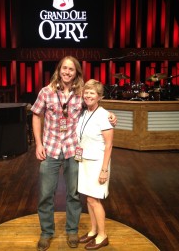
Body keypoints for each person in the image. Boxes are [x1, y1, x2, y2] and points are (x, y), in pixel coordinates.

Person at [31, 56, 117, 251]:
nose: (67, 72)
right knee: (45, 194)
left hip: (73, 150)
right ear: (59, 70)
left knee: (73, 194)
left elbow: (95, 108)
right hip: (51, 149)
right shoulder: (46, 92)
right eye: (64, 68)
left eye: (72, 69)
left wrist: (110, 115)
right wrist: (38, 144)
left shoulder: (80, 94)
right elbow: (36, 115)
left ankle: (72, 230)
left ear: (76, 72)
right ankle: (46, 233)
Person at [77, 79, 114, 250]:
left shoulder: (104, 115)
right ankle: (93, 231)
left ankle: (102, 235)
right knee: (89, 199)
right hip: (84, 161)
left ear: (100, 96)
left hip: (98, 163)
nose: (88, 95)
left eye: (92, 93)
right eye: (86, 92)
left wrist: (104, 170)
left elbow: (109, 145)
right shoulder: (84, 113)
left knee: (94, 199)